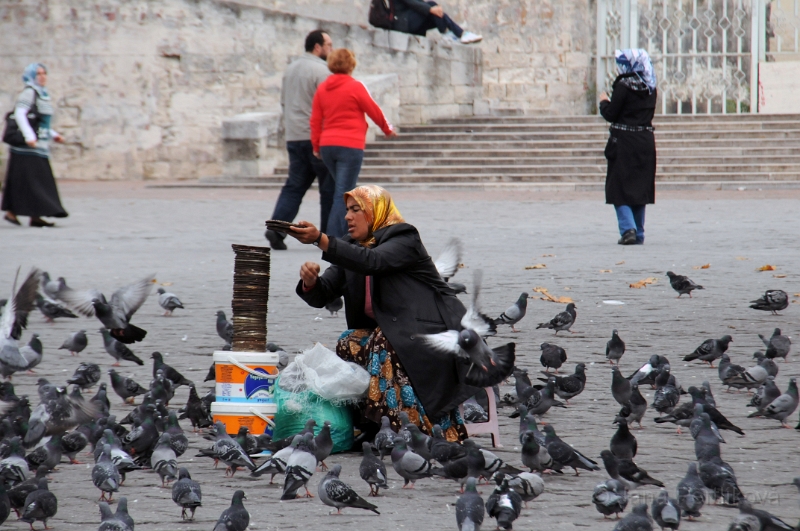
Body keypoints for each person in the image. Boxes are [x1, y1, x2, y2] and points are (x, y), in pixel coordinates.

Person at [288, 185, 473, 441]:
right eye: (347, 211)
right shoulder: (351, 246)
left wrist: (321, 238)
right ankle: (373, 425)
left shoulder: (404, 238)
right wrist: (311, 282)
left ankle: (405, 428)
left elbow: (373, 261)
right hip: (392, 334)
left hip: (432, 331)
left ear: (376, 211)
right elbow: (324, 293)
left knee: (383, 341)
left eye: (356, 210)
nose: (347, 217)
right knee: (349, 341)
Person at [310, 49, 397, 240]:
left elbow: (315, 120)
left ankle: (343, 236)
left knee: (340, 192)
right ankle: (334, 241)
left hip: (327, 146)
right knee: (343, 194)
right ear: (351, 65)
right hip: (349, 146)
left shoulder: (322, 89)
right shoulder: (355, 86)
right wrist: (387, 128)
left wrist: (316, 146)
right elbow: (373, 109)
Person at [265, 30, 336, 251]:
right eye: (329, 45)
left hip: (294, 136)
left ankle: (276, 228)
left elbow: (283, 103)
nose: (331, 49)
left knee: (294, 186)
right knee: (328, 188)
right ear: (318, 47)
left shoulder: (290, 69)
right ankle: (328, 237)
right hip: (316, 137)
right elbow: (328, 107)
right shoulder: (322, 71)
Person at [599, 49, 658, 245]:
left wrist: (603, 101)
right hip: (645, 141)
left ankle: (628, 230)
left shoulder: (624, 85)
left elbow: (611, 114)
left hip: (624, 142)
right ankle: (639, 232)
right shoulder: (651, 87)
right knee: (640, 189)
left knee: (619, 187)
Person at [2, 63, 68, 227]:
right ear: (31, 76)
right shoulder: (29, 93)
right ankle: (18, 213)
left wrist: (54, 135)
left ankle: (33, 215)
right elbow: (20, 114)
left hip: (39, 147)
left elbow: (41, 122)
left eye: (44, 73)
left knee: (35, 182)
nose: (42, 76)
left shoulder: (42, 94)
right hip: (27, 148)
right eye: (38, 74)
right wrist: (29, 136)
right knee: (32, 182)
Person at [392, 0, 482, 44]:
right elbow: (413, 3)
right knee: (432, 6)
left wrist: (434, 10)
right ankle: (459, 33)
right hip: (403, 23)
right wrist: (431, 9)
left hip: (410, 22)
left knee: (434, 9)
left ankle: (450, 34)